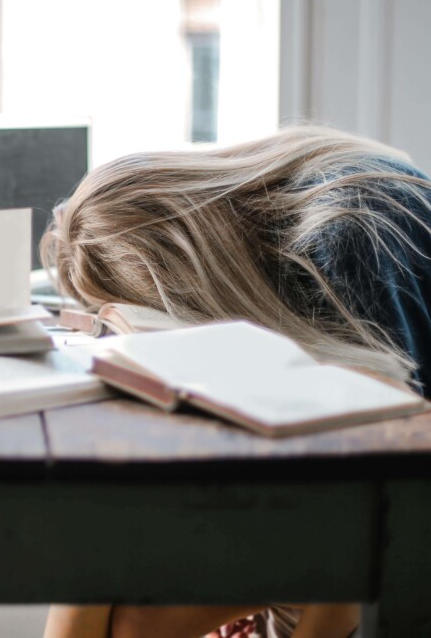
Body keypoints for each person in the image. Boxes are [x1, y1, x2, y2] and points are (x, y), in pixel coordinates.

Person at [39, 125, 431, 638]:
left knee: (124, 608)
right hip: (349, 506)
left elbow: (389, 490)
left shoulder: (349, 235)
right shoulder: (294, 211)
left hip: (389, 508)